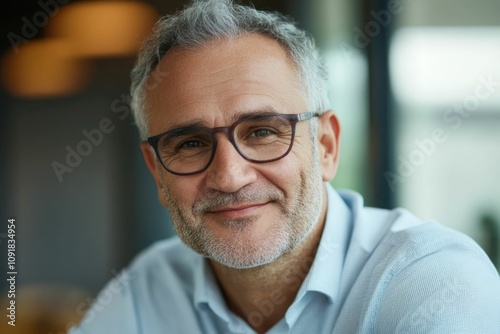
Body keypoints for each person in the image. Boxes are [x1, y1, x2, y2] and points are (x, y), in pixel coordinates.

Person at [70, 0, 500, 333]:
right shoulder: (147, 289)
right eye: (192, 143)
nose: (230, 176)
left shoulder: (433, 279)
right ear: (157, 173)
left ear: (326, 146)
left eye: (261, 132)